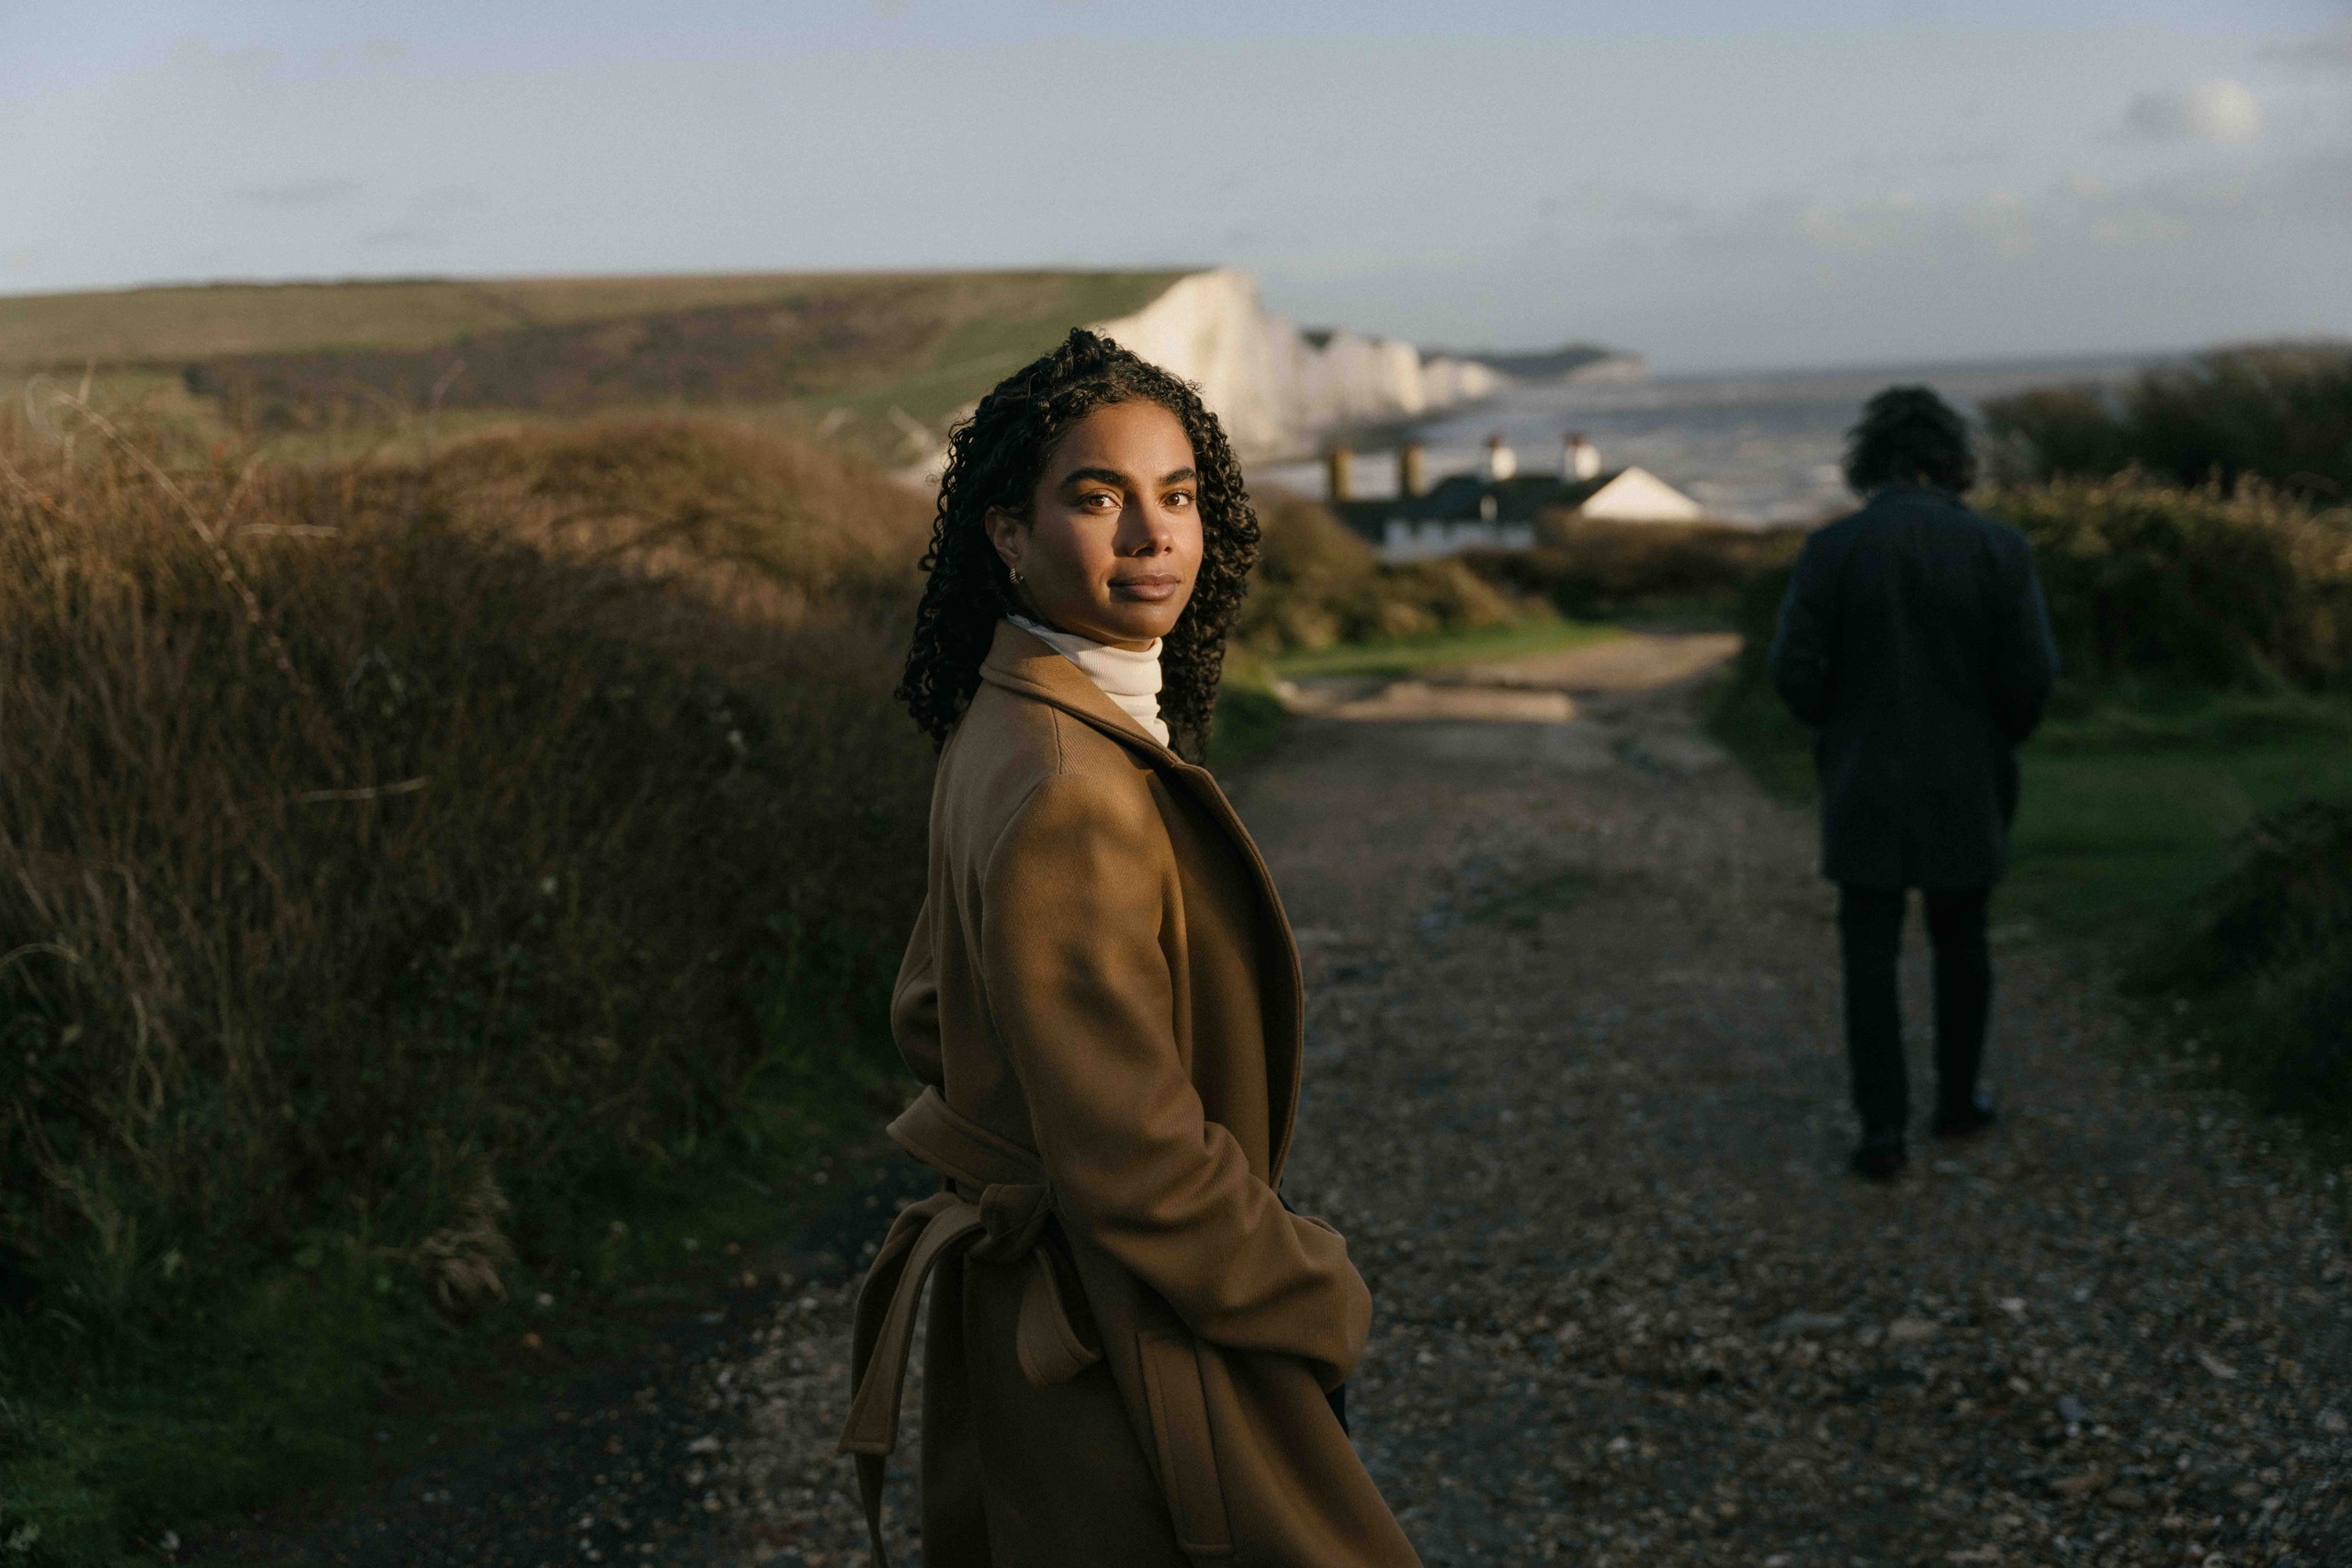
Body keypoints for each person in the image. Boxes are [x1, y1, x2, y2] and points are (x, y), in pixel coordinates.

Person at [837, 329, 1419, 1566]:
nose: (1153, 537)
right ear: (1008, 531)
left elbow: (936, 1016)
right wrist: (1313, 1287)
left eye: (1179, 495)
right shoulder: (1067, 782)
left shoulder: (1007, 717)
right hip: (1127, 1330)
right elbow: (1136, 1159)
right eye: (1097, 498)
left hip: (1060, 1320)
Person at [1768, 386, 2059, 1182]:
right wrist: (1994, 736)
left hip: (1862, 778)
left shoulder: (1834, 548)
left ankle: (1883, 1132)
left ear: (1872, 461)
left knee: (1870, 953)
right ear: (1949, 458)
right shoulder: (2000, 549)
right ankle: (1958, 1102)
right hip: (1968, 777)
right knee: (1962, 941)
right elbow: (2031, 677)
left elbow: (1792, 672)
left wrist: (1841, 725)